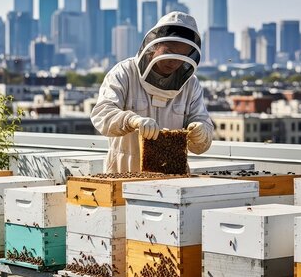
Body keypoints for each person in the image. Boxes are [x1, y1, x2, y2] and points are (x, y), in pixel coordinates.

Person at [91, 11, 214, 173]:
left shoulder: (190, 84)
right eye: (169, 51)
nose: (174, 61)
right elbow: (102, 115)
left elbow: (201, 139)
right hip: (124, 172)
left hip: (173, 174)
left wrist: (200, 132)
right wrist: (132, 120)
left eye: (182, 55)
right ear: (155, 45)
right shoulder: (124, 73)